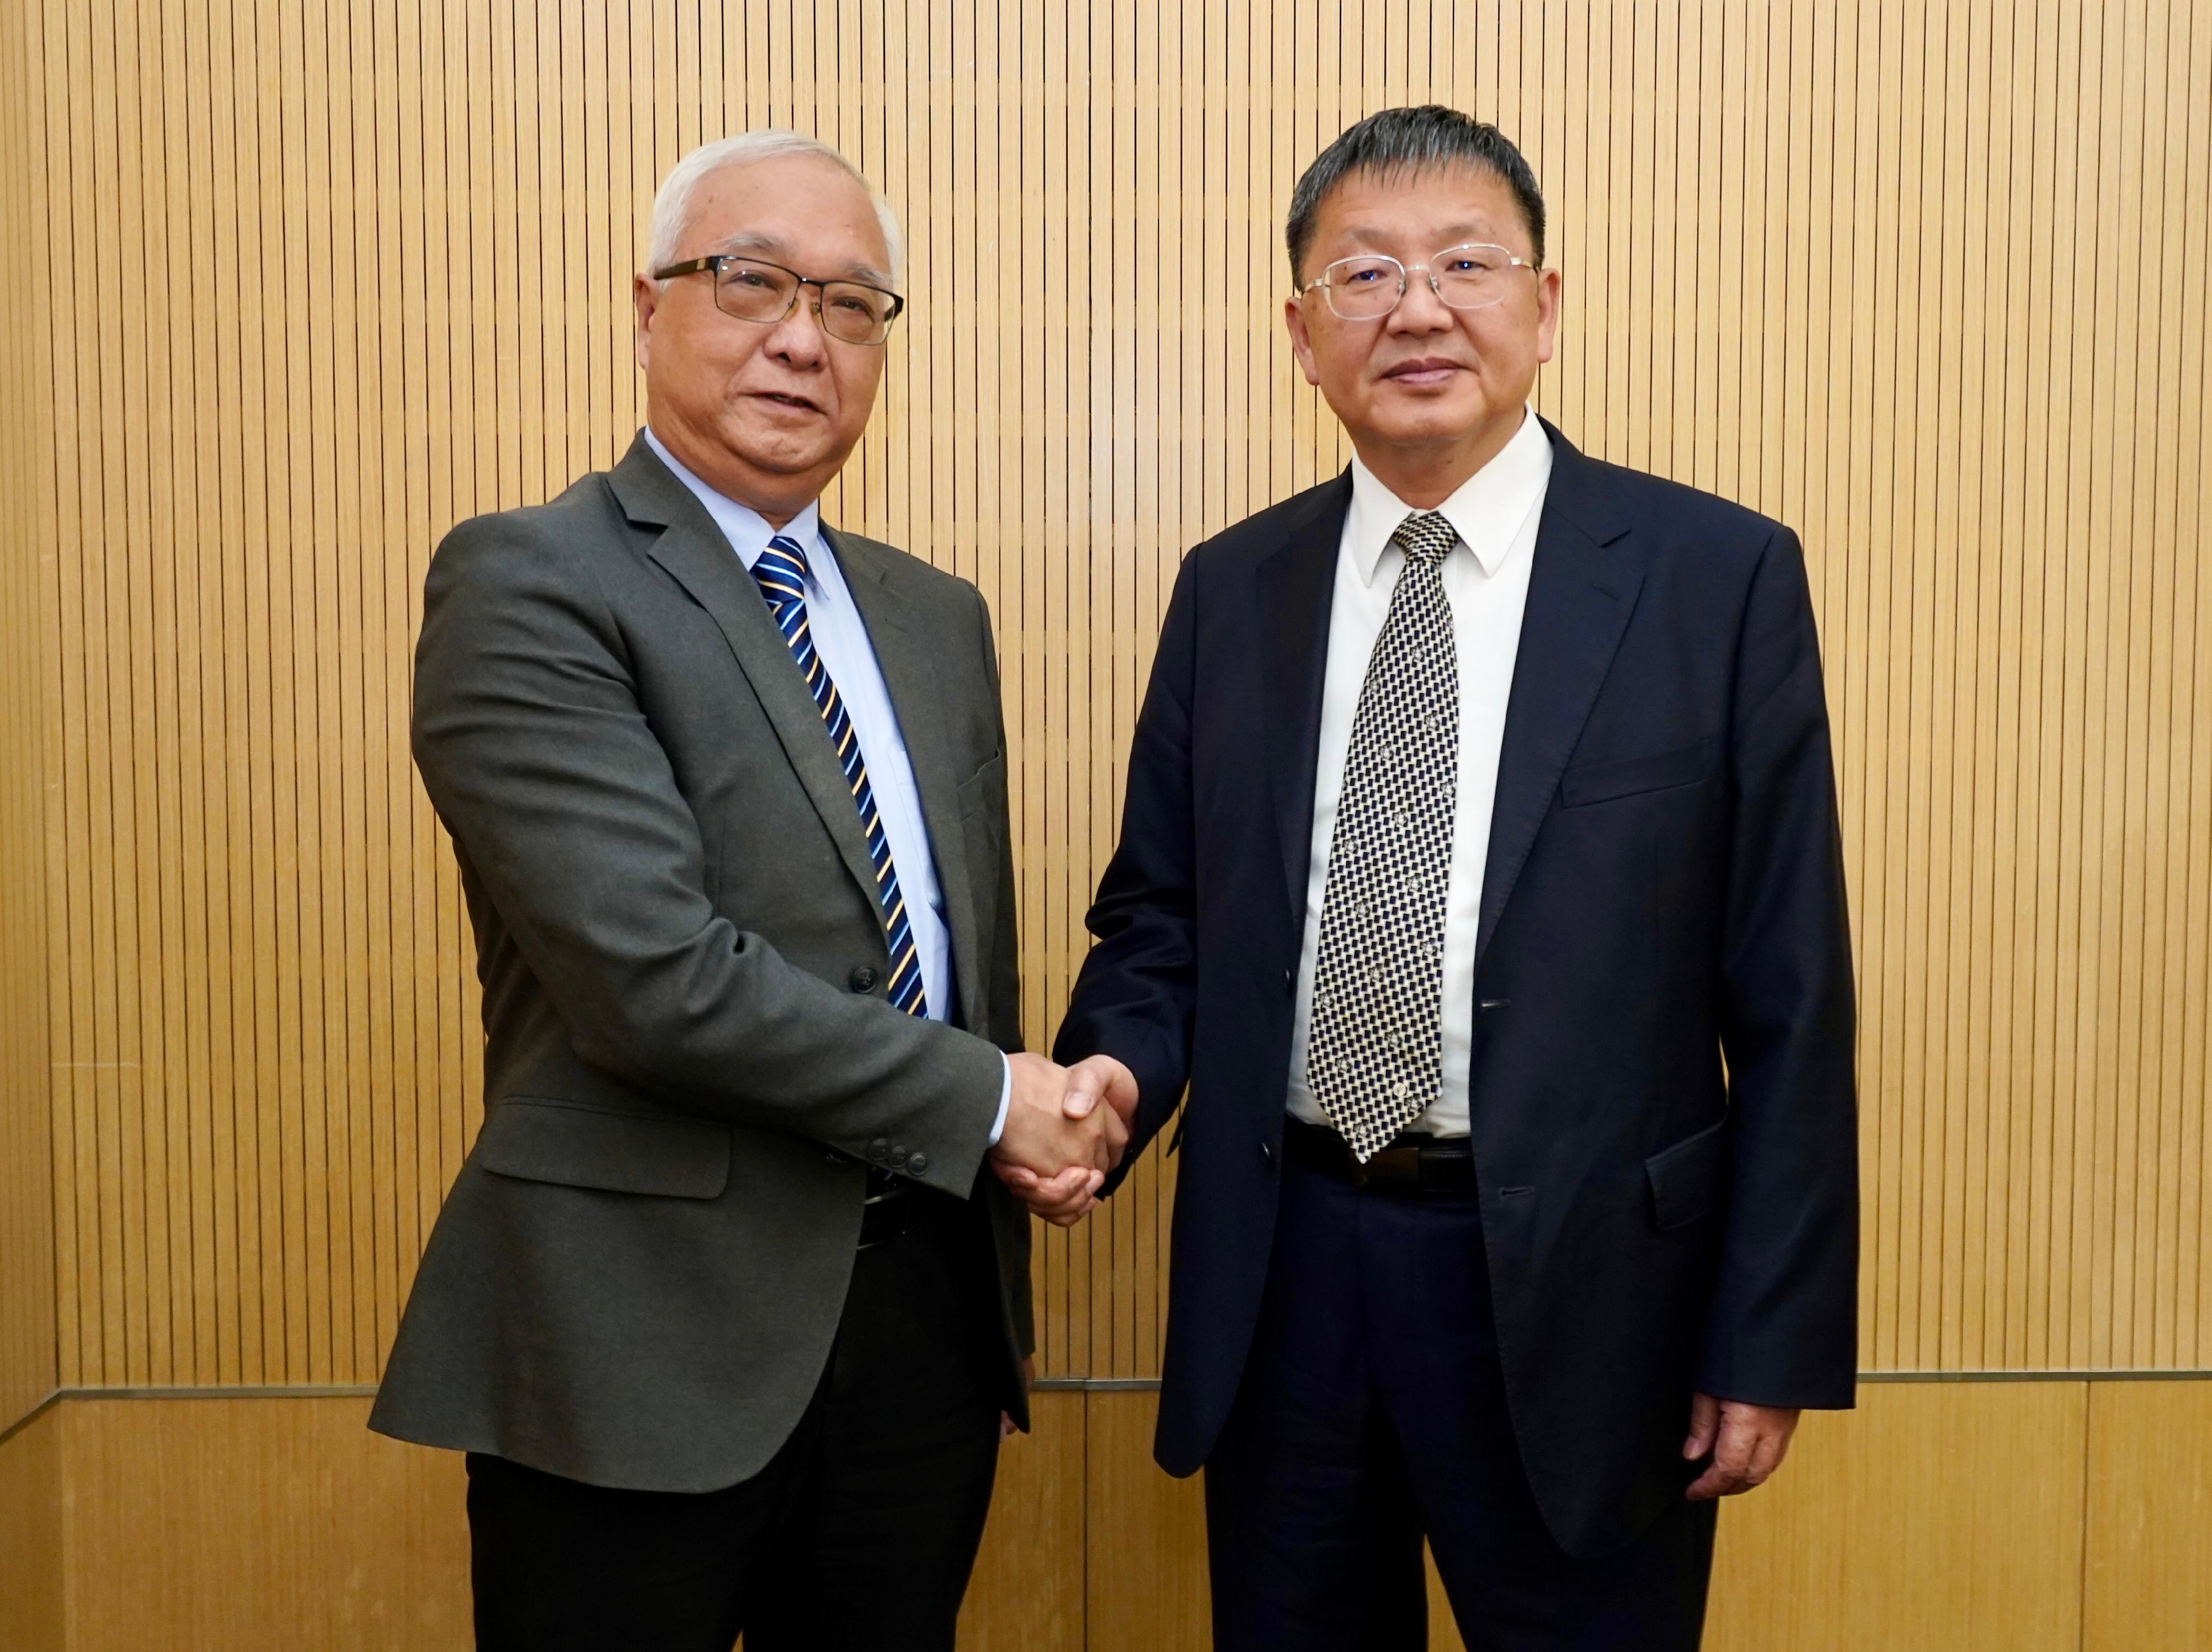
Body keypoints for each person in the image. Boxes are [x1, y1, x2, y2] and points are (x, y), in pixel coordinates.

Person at [1008, 106, 1860, 1649]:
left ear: (1545, 305)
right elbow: (1164, 916)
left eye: (1468, 262)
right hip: (1289, 1275)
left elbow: (1793, 994)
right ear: (1302, 331)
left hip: (1597, 1295)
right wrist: (1114, 1078)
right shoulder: (1230, 589)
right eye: (1366, 274)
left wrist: (1768, 1328)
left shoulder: (1714, 579)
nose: (1418, 308)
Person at [369, 130, 1119, 1652]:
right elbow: (653, 977)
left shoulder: (935, 617)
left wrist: (1030, 1122)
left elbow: (950, 960)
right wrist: (991, 1097)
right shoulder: (532, 580)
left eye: (852, 305)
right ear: (647, 307)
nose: (802, 334)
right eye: (752, 280)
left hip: (922, 1331)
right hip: (636, 1342)